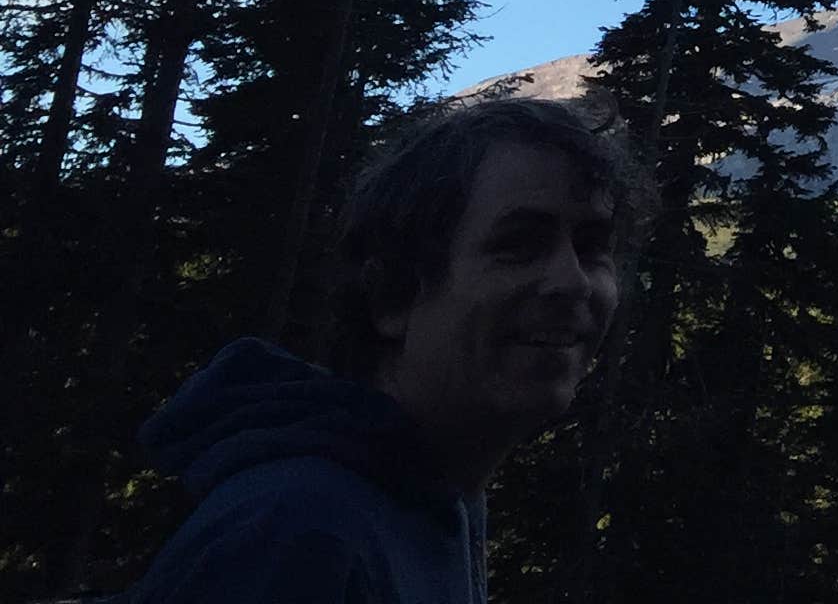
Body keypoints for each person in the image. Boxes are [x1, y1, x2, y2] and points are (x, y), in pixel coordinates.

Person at [121, 95, 638, 603]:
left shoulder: (437, 500)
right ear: (392, 296)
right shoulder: (301, 536)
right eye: (519, 245)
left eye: (592, 248)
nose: (573, 283)